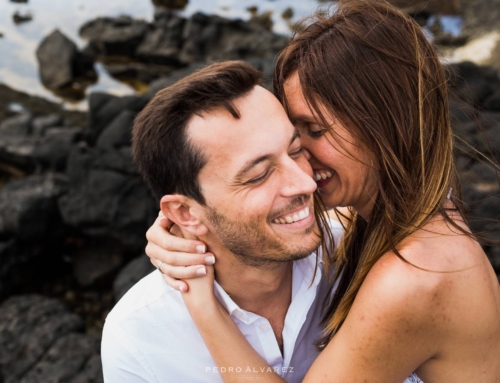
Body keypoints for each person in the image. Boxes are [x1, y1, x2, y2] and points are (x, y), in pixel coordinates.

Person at [143, 1, 500, 382]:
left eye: (313, 132)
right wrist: (187, 226)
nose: (301, 169)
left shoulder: (415, 276)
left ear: (386, 126)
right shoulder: (419, 210)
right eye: (295, 139)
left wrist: (204, 307)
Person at [101, 60, 345, 383]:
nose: (305, 183)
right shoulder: (139, 341)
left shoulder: (354, 254)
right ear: (185, 213)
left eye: (296, 149)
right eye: (259, 175)